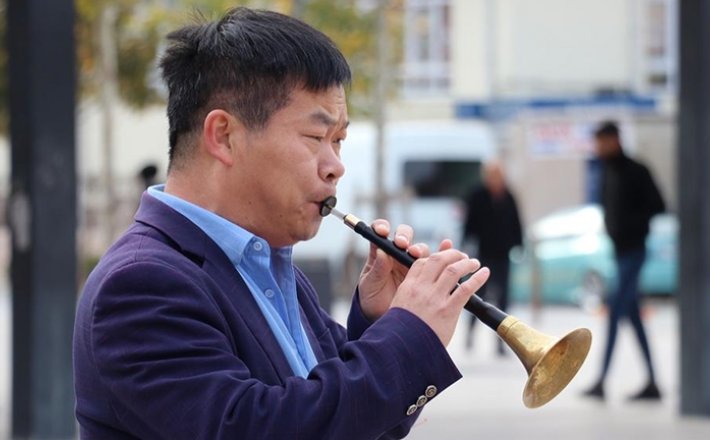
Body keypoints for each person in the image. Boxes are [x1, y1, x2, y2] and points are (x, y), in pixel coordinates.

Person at [72, 8, 490, 440]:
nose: (335, 168)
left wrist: (380, 322)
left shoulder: (269, 264)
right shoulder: (141, 283)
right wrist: (408, 338)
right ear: (223, 135)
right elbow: (257, 428)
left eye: (339, 141)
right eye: (315, 138)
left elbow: (340, 420)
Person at [583, 121, 665, 401]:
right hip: (619, 254)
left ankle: (602, 380)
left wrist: (631, 224)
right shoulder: (607, 172)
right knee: (632, 317)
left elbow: (658, 204)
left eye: (602, 142)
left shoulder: (636, 171)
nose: (599, 148)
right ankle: (653, 381)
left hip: (634, 252)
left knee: (615, 311)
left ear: (614, 140)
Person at [461, 161, 523, 355]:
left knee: (504, 299)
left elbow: (516, 222)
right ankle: (470, 332)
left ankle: (501, 341)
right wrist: (466, 244)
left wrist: (518, 244)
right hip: (484, 254)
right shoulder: (478, 195)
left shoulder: (508, 195)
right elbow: (469, 223)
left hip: (503, 254)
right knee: (478, 296)